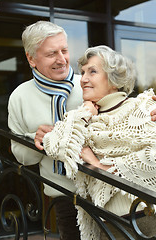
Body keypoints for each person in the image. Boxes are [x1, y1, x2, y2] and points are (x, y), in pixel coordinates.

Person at [43, 45, 156, 240]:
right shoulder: (82, 119)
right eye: (83, 72)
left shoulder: (142, 108)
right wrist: (84, 113)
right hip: (105, 224)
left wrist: (99, 165)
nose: (84, 79)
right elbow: (54, 146)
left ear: (114, 79)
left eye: (92, 72)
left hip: (142, 222)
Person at [8, 20, 83, 240]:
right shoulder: (19, 97)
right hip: (63, 198)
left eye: (65, 50)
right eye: (52, 54)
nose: (62, 60)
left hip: (106, 193)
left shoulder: (90, 84)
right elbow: (21, 156)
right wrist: (36, 140)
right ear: (31, 58)